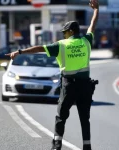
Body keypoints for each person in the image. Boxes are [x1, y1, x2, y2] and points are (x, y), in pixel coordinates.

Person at [5, 0, 99, 149]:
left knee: (61, 117)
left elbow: (38, 48)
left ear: (71, 31)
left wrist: (20, 52)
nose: (64, 34)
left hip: (69, 85)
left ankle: (56, 146)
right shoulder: (86, 41)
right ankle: (87, 147)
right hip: (85, 86)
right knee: (84, 118)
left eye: (65, 32)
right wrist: (96, 10)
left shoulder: (61, 45)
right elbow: (92, 26)